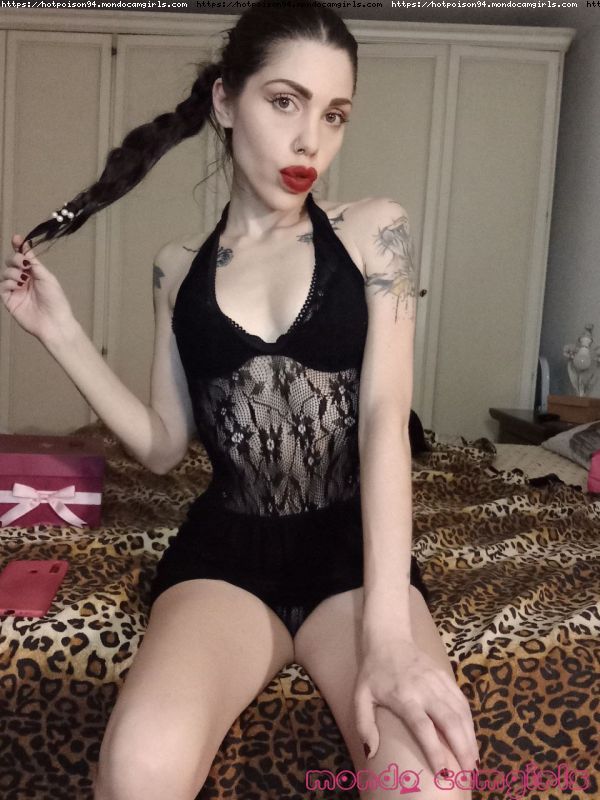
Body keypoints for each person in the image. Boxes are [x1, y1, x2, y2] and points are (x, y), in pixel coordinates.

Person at [0, 2, 479, 798]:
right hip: (225, 559)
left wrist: (389, 637)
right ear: (225, 101)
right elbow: (163, 447)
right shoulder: (176, 267)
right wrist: (62, 333)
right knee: (137, 769)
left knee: (428, 784)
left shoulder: (374, 231)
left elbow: (383, 422)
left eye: (334, 114)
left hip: (351, 560)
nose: (310, 141)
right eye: (285, 101)